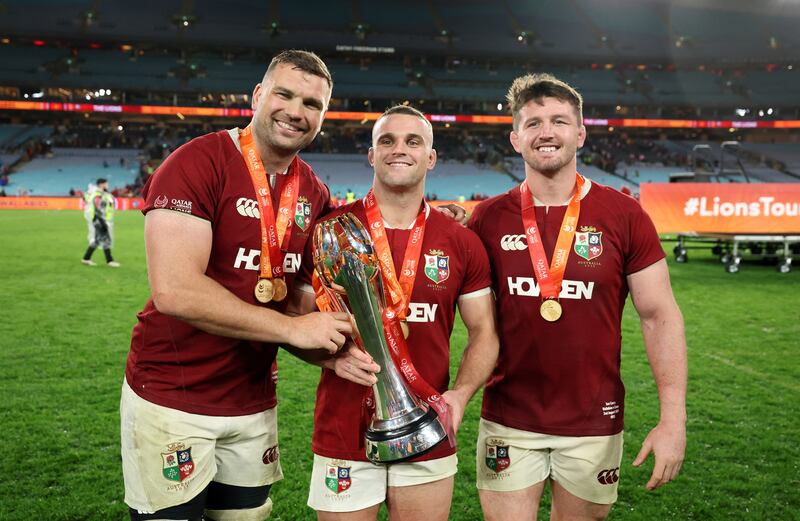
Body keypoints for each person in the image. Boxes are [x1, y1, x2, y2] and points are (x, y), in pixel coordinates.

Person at [120, 50, 356, 521]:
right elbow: (176, 290)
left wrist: (330, 343)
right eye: (284, 94)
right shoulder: (197, 162)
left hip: (252, 402)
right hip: (174, 395)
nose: (296, 111)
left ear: (323, 117)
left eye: (312, 103)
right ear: (258, 95)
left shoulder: (312, 190)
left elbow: (302, 296)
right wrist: (293, 330)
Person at [469, 73, 687, 521]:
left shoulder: (625, 214)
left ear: (581, 133)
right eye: (532, 123)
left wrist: (673, 421)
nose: (546, 132)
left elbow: (659, 316)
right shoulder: (487, 219)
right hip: (509, 417)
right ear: (515, 139)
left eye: (559, 121)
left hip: (594, 421)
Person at [290, 106, 499, 521]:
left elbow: (485, 333)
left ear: (431, 157)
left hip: (428, 424)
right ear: (371, 155)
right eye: (386, 140)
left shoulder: (461, 241)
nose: (398, 149)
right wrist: (329, 357)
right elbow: (296, 321)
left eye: (412, 141)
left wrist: (459, 396)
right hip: (343, 427)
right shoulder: (332, 231)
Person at [81, 178, 120, 267]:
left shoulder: (102, 194)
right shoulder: (99, 195)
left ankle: (86, 258)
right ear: (102, 184)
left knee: (99, 240)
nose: (107, 185)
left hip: (100, 220)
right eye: (106, 183)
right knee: (105, 239)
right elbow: (98, 209)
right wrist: (103, 222)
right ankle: (109, 261)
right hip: (99, 220)